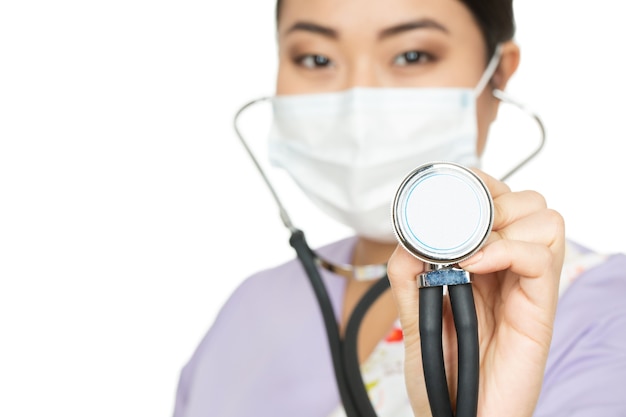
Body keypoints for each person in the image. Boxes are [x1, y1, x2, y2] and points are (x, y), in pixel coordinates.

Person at [172, 0, 626, 416]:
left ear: (499, 75)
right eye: (315, 58)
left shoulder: (608, 314)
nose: (358, 101)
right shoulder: (249, 309)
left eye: (412, 55)